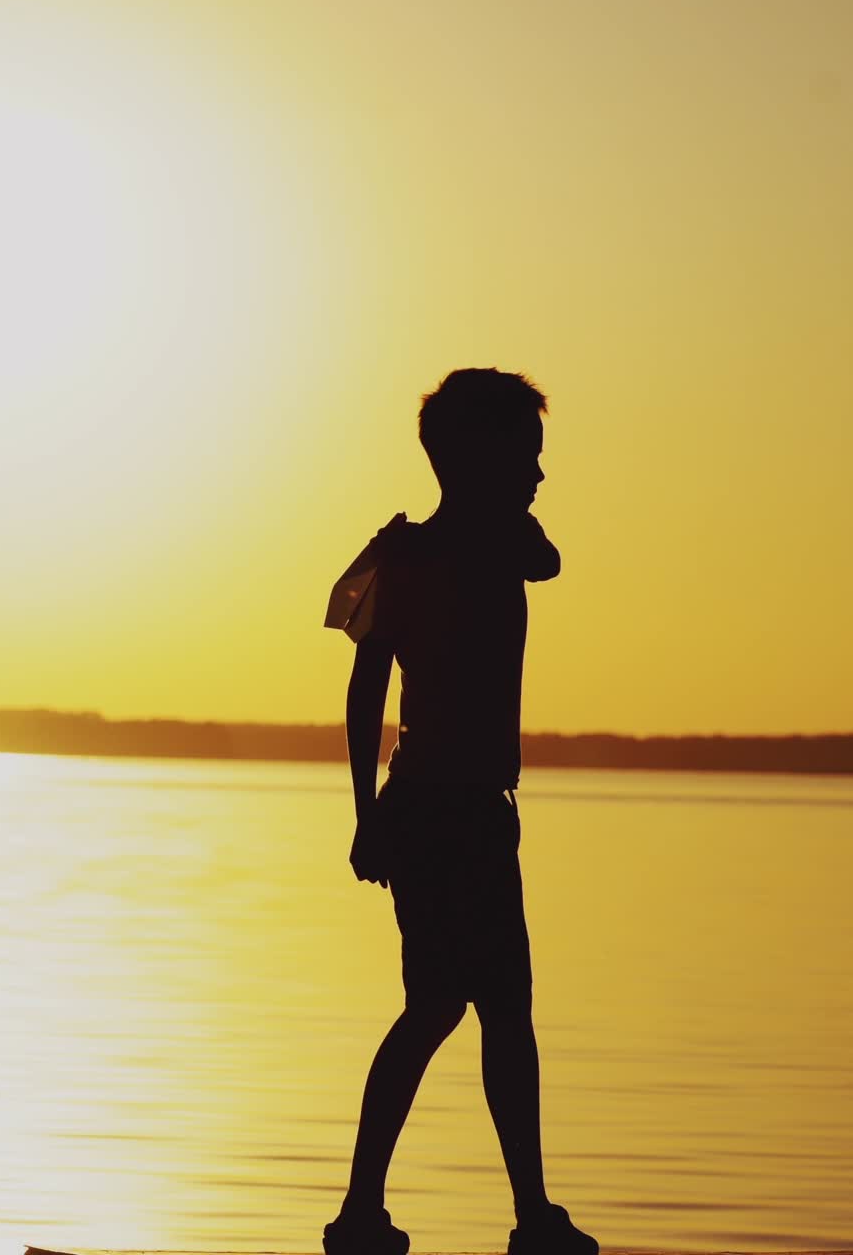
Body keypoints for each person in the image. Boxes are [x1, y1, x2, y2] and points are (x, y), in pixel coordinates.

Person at [322, 369, 598, 1255]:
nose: (540, 476)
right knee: (469, 1007)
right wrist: (365, 815)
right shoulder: (427, 555)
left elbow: (547, 561)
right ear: (480, 459)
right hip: (445, 813)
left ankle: (408, 1212)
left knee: (458, 1007)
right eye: (527, 458)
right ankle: (486, 1216)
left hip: (463, 810)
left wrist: (374, 815)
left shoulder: (467, 548)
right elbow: (367, 688)